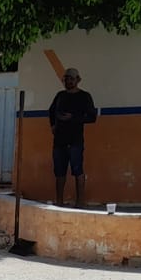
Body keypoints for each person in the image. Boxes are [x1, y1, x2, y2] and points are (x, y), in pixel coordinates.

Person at [49, 67, 97, 206]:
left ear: (78, 80)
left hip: (75, 140)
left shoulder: (84, 96)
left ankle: (80, 202)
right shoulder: (60, 95)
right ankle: (59, 202)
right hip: (59, 140)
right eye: (66, 78)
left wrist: (73, 118)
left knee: (77, 170)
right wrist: (53, 125)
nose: (68, 81)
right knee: (59, 172)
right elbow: (51, 111)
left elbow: (92, 117)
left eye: (71, 78)